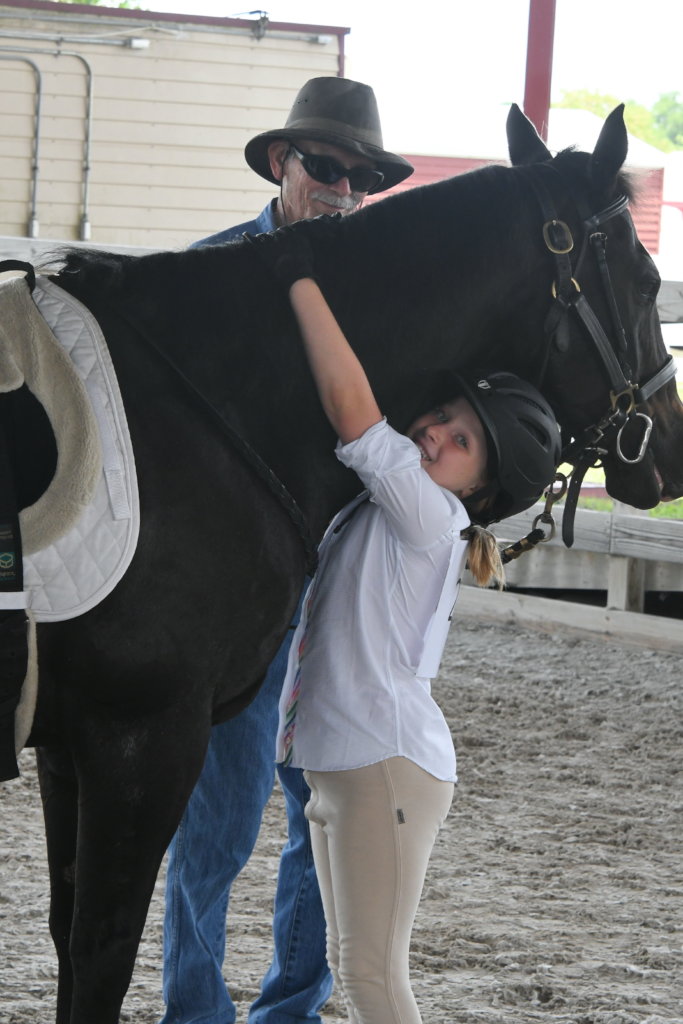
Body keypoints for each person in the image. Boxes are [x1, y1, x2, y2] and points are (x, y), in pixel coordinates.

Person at [246, 224, 562, 1023]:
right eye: (444, 419)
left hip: (380, 766)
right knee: (362, 977)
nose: (435, 436)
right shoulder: (392, 511)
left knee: (376, 981)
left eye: (459, 444)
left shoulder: (430, 516)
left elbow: (351, 406)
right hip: (340, 766)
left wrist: (297, 277)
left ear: (477, 491)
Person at [161, 78, 414, 1024]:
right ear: (282, 164)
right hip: (231, 603)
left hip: (341, 600)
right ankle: (192, 1011)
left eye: (360, 178)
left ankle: (289, 1011)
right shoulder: (200, 278)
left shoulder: (387, 306)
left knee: (326, 828)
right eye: (327, 169)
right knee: (214, 828)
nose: (344, 192)